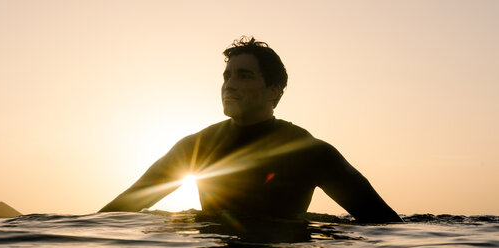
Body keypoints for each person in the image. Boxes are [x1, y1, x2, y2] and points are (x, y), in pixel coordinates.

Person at [99, 37, 402, 223]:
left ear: (274, 91)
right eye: (227, 76)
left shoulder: (309, 151)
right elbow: (119, 211)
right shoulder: (197, 147)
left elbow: (383, 223)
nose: (229, 84)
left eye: (243, 76)